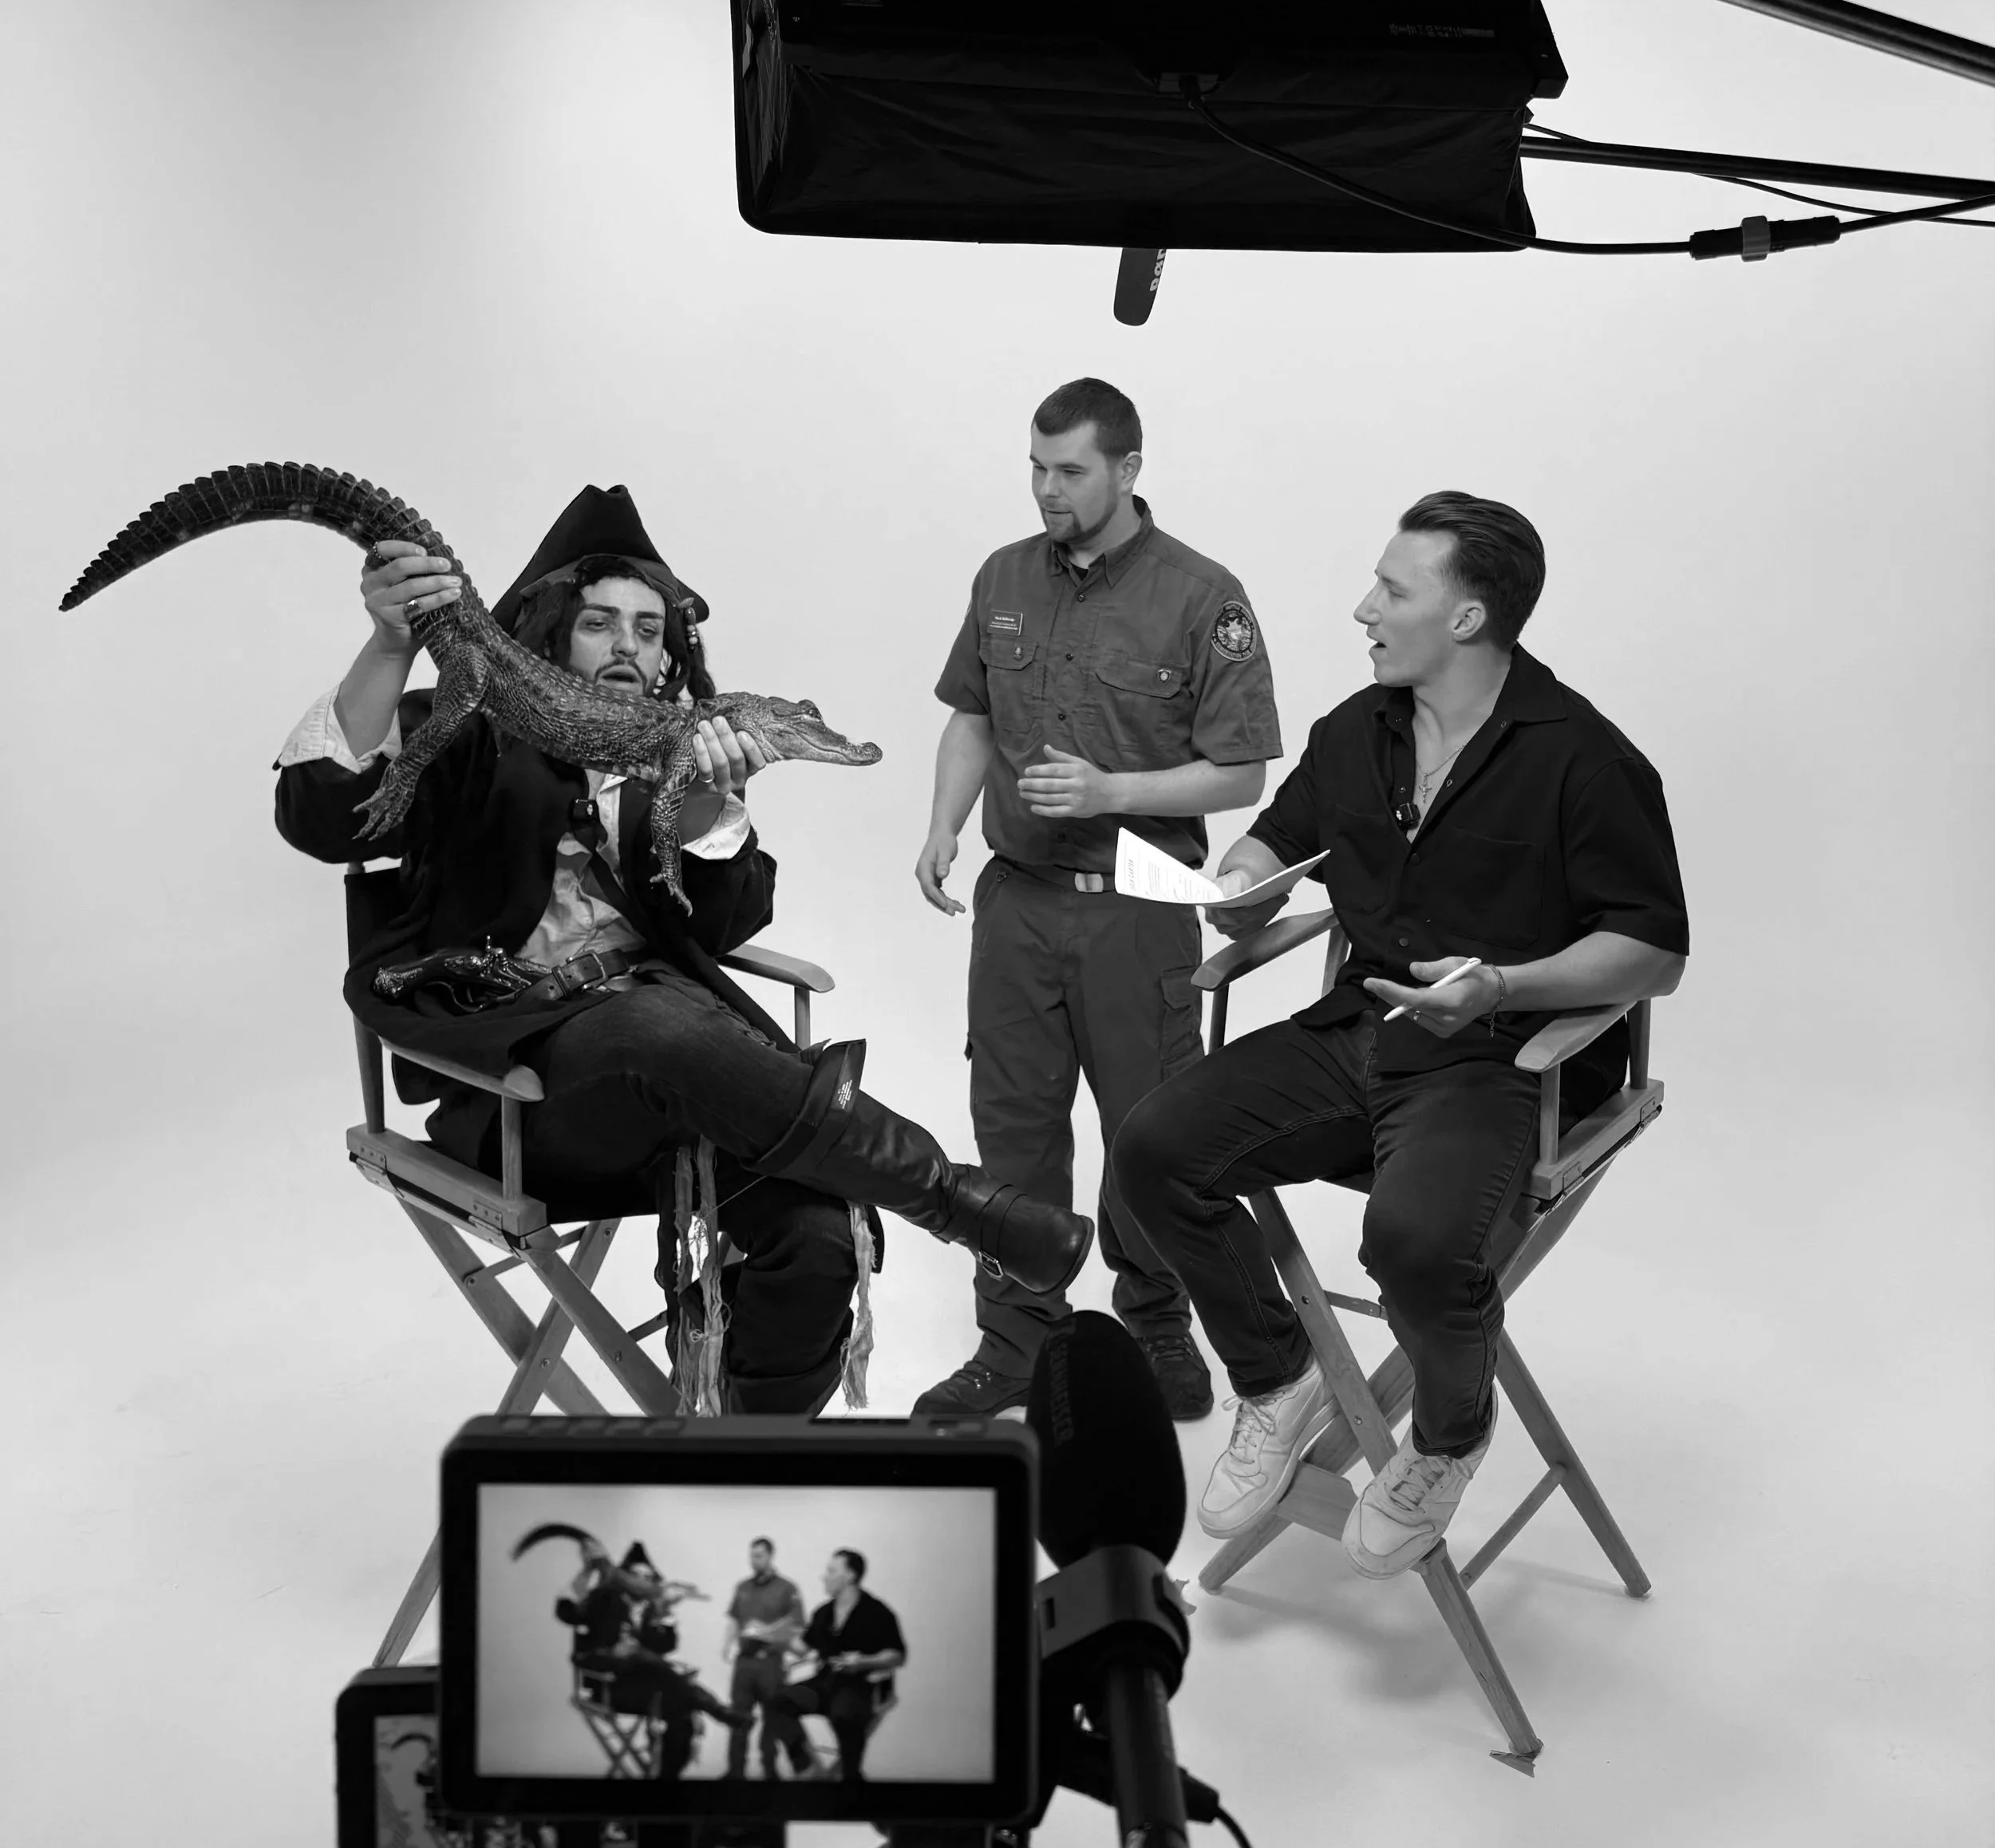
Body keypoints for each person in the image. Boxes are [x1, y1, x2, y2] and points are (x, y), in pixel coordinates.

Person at [274, 482, 1091, 1416]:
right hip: (521, 1099)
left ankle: (744, 1454)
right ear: (551, 630)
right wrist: (389, 647)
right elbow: (319, 818)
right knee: (656, 1022)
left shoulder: (674, 753)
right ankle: (959, 1201)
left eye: (649, 628)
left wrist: (710, 806)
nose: (627, 643)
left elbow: (724, 927)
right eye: (599, 622)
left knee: (819, 1234)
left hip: (691, 1086)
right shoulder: (468, 727)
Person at [1114, 492, 1689, 1576]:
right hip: (1359, 1030)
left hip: (1503, 1063)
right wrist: (1241, 884)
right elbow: (1275, 838)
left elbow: (1653, 950)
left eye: (1392, 589)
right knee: (1151, 1149)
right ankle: (1280, 1377)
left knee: (1415, 1246)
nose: (1363, 609)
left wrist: (1504, 984)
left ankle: (1448, 1437)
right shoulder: (1356, 730)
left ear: (1466, 618)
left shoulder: (1586, 758)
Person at [913, 379, 1282, 1420]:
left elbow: (1242, 772)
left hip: (1139, 908)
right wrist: (943, 824)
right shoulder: (1003, 575)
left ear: (1127, 469)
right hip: (1018, 904)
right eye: (1036, 468)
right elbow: (971, 714)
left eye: (1070, 471)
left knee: (1150, 1131)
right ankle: (1015, 1341)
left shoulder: (1201, 596)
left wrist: (1110, 793)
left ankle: (1157, 1323)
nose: (1047, 490)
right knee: (1014, 1128)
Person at [554, 1541, 748, 1769]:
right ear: (624, 1576)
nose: (641, 1581)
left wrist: (665, 1611)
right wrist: (587, 1571)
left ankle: (667, 1778)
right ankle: (719, 1711)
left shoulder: (650, 1608)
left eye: (647, 1577)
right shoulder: (604, 1598)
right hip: (609, 1687)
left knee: (682, 1710)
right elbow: (568, 1613)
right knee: (647, 1662)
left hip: (644, 1686)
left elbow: (665, 1646)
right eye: (636, 1575)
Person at [763, 1550, 907, 1783]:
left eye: (831, 1571)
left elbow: (896, 1656)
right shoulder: (823, 1613)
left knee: (845, 1716)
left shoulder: (877, 1612)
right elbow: (801, 1648)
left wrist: (864, 1661)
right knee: (777, 1703)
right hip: (823, 1687)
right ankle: (806, 1767)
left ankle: (850, 1779)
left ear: (850, 1576)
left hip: (858, 1687)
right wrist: (771, 1636)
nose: (824, 1576)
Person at [721, 1537, 807, 1779]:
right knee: (738, 1717)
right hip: (745, 1662)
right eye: (752, 1555)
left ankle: (769, 1770)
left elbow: (796, 1625)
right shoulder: (743, 1587)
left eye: (759, 1555)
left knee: (772, 1719)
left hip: (770, 1662)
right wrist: (726, 1646)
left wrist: (767, 1632)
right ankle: (735, 1772)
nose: (754, 1560)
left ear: (770, 1556)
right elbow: (733, 1619)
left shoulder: (787, 1588)